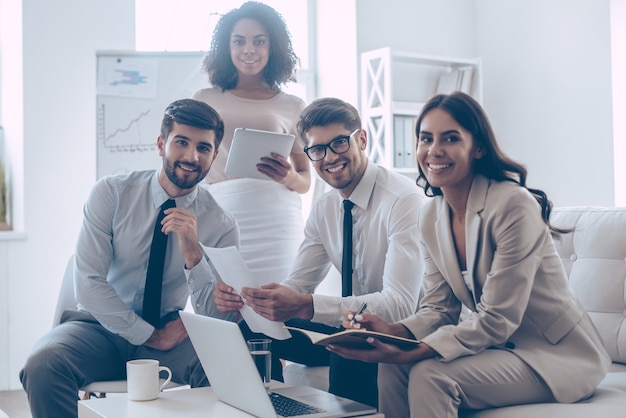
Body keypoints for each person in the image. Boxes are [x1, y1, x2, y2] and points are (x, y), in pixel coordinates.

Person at [327, 92, 611, 417]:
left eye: (450, 138)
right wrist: (393, 332)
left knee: (430, 374)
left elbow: (497, 318)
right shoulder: (431, 214)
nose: (434, 150)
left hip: (557, 354)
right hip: (499, 348)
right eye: (425, 139)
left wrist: (422, 349)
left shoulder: (513, 204)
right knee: (392, 366)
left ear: (478, 147)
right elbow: (438, 308)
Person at [19, 99, 240, 418]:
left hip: (167, 331)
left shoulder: (220, 223)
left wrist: (193, 254)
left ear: (214, 156)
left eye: (203, 148)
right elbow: (89, 285)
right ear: (161, 143)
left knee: (226, 365)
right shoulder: (111, 193)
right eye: (181, 142)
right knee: (43, 364)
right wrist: (150, 335)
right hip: (99, 327)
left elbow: (218, 316)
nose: (192, 157)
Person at [215, 97, 425, 407]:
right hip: (351, 325)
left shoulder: (403, 200)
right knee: (252, 330)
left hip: (399, 330)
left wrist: (306, 305)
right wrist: (253, 300)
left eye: (340, 143)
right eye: (317, 149)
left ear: (362, 139)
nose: (329, 157)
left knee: (349, 349)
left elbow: (400, 304)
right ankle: (274, 409)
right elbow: (299, 284)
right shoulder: (326, 207)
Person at [192, 1, 310, 285]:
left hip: (277, 221)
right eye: (239, 41)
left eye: (259, 41)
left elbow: (306, 181)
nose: (249, 49)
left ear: (273, 47)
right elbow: (190, 158)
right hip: (221, 210)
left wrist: (290, 176)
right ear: (226, 46)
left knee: (279, 304)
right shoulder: (204, 99)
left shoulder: (293, 105)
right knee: (222, 303)